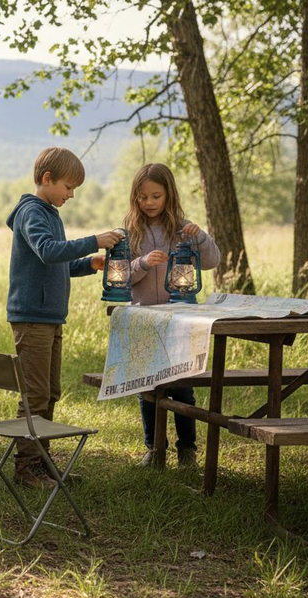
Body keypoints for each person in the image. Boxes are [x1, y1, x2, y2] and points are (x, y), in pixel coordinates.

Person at [6, 147, 123, 488]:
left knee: (51, 392)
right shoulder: (32, 212)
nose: (71, 195)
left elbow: (56, 262)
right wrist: (93, 241)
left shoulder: (50, 212)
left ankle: (41, 463)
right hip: (32, 318)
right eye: (68, 187)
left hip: (51, 317)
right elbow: (47, 250)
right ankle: (25, 467)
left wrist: (89, 263)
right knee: (35, 393)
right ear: (47, 179)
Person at [125, 163, 220, 468]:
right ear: (135, 199)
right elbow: (121, 278)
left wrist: (200, 237)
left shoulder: (183, 228)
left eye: (156, 196)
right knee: (148, 388)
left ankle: (187, 450)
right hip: (145, 320)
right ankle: (154, 449)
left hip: (179, 320)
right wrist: (142, 263)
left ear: (169, 195)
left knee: (181, 387)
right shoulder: (130, 231)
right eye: (143, 198)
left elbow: (211, 261)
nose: (149, 203)